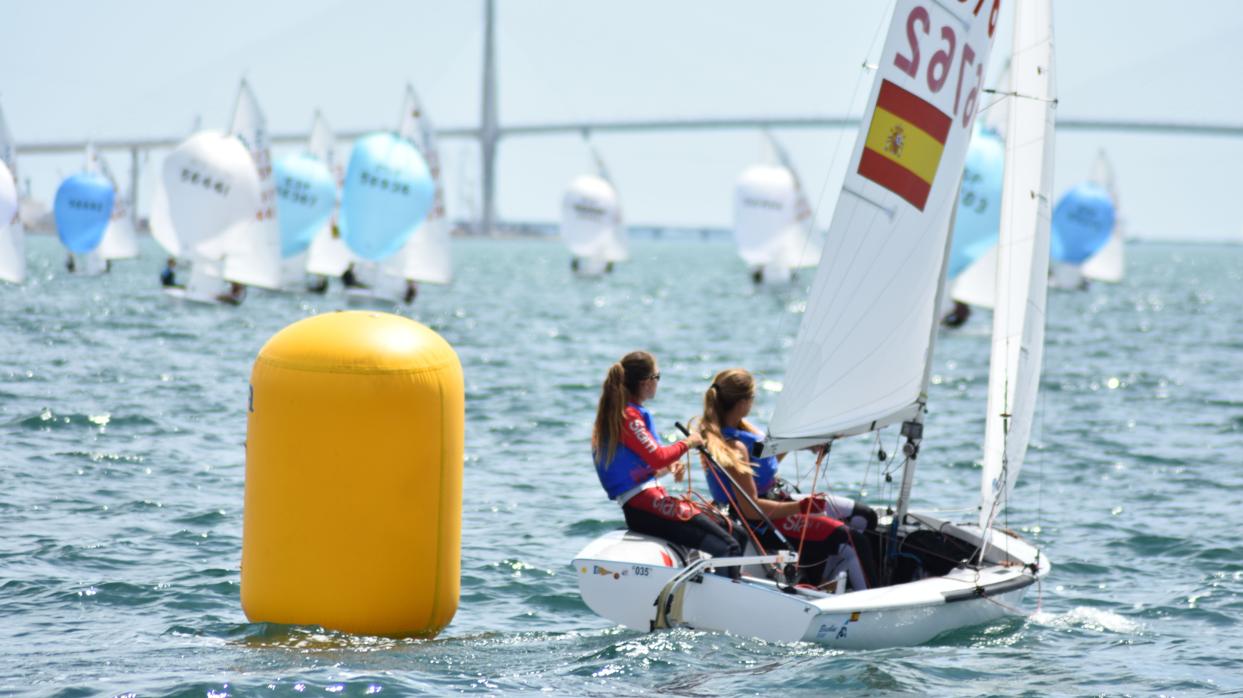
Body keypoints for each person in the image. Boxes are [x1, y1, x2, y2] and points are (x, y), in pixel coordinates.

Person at [698, 368, 876, 590]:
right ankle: (870, 598)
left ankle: (822, 574)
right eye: (753, 397)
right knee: (852, 541)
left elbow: (766, 466)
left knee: (865, 517)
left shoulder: (742, 429)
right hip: (760, 519)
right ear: (743, 401)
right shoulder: (733, 446)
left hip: (776, 499)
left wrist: (805, 443)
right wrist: (800, 507)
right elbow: (751, 508)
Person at [592, 351, 745, 577]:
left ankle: (721, 586)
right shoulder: (628, 416)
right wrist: (689, 442)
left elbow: (647, 465)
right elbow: (657, 457)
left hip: (647, 501)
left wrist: (668, 467)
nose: (658, 383)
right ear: (646, 383)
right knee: (729, 546)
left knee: (737, 533)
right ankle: (728, 601)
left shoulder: (627, 413)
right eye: (657, 377)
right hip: (642, 507)